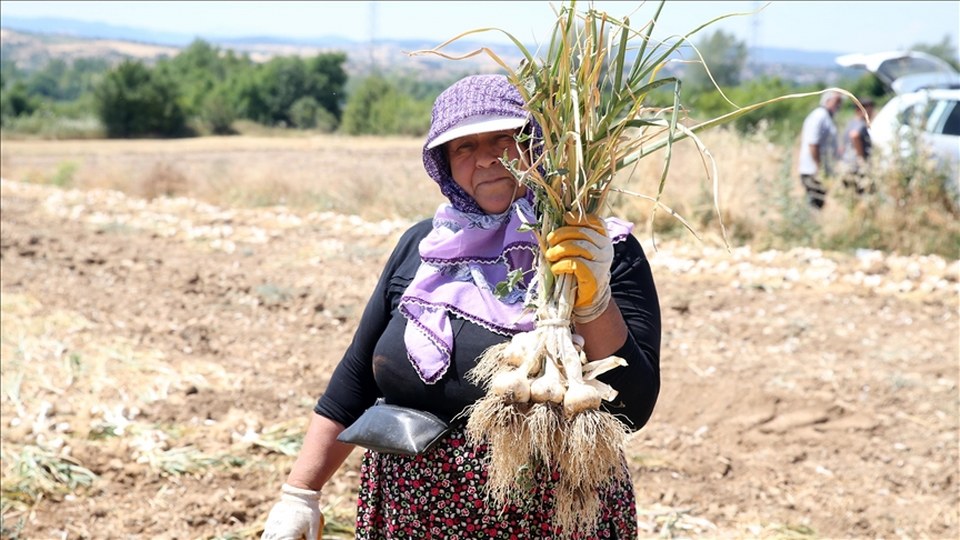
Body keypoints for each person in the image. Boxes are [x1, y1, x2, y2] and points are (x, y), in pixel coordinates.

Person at [259, 74, 661, 539]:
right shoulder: (425, 247)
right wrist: (300, 494)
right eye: (462, 148)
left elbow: (633, 403)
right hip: (415, 513)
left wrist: (593, 302)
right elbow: (355, 378)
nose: (486, 159)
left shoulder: (593, 247)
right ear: (444, 165)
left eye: (502, 139)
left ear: (536, 145)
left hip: (549, 516)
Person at [797, 91, 843, 209]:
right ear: (827, 101)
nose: (839, 105)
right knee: (814, 203)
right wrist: (819, 167)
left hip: (818, 169)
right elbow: (813, 143)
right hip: (813, 170)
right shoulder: (819, 116)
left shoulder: (825, 116)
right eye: (837, 102)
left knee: (818, 203)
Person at [839, 97, 876, 195]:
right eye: (869, 110)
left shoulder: (850, 123)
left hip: (847, 166)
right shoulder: (861, 124)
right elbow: (855, 136)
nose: (872, 113)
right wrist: (861, 160)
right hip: (857, 169)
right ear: (860, 110)